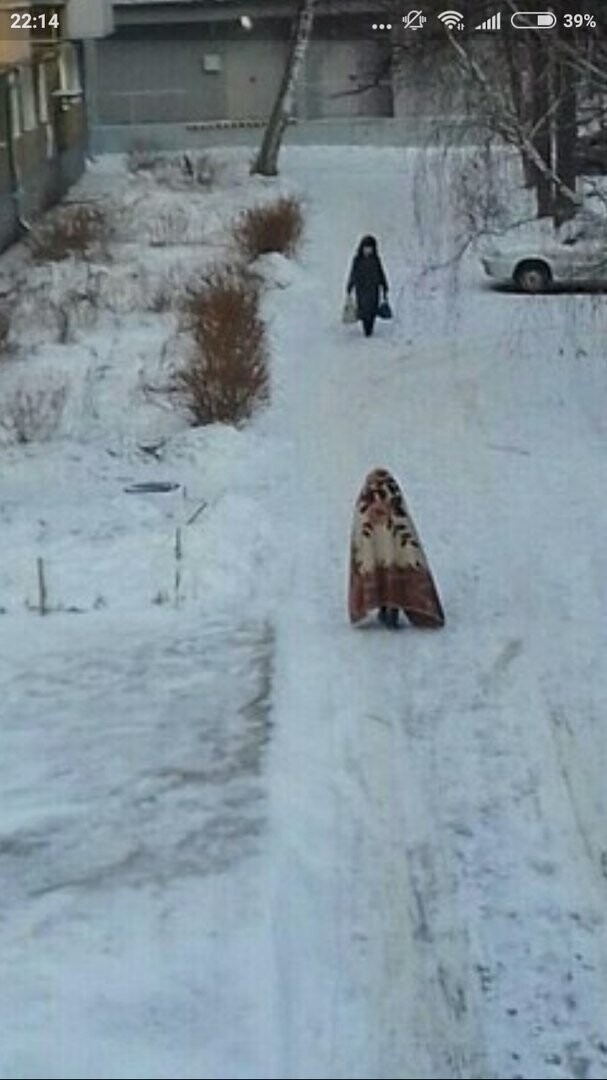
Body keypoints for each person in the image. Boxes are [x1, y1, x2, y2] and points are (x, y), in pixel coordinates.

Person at [348, 467, 445, 629]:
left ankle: (387, 608)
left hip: (379, 558)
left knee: (382, 571)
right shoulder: (394, 503)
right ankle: (391, 609)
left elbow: (361, 538)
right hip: (393, 556)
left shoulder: (365, 504)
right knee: (395, 569)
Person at [346, 235, 389, 337]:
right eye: (366, 248)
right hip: (361, 289)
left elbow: (381, 273)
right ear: (362, 248)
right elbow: (353, 273)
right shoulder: (357, 260)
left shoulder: (376, 260)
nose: (368, 250)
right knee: (364, 309)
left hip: (374, 289)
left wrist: (384, 285)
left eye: (370, 248)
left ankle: (370, 326)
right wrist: (350, 285)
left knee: (372, 309)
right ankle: (366, 327)